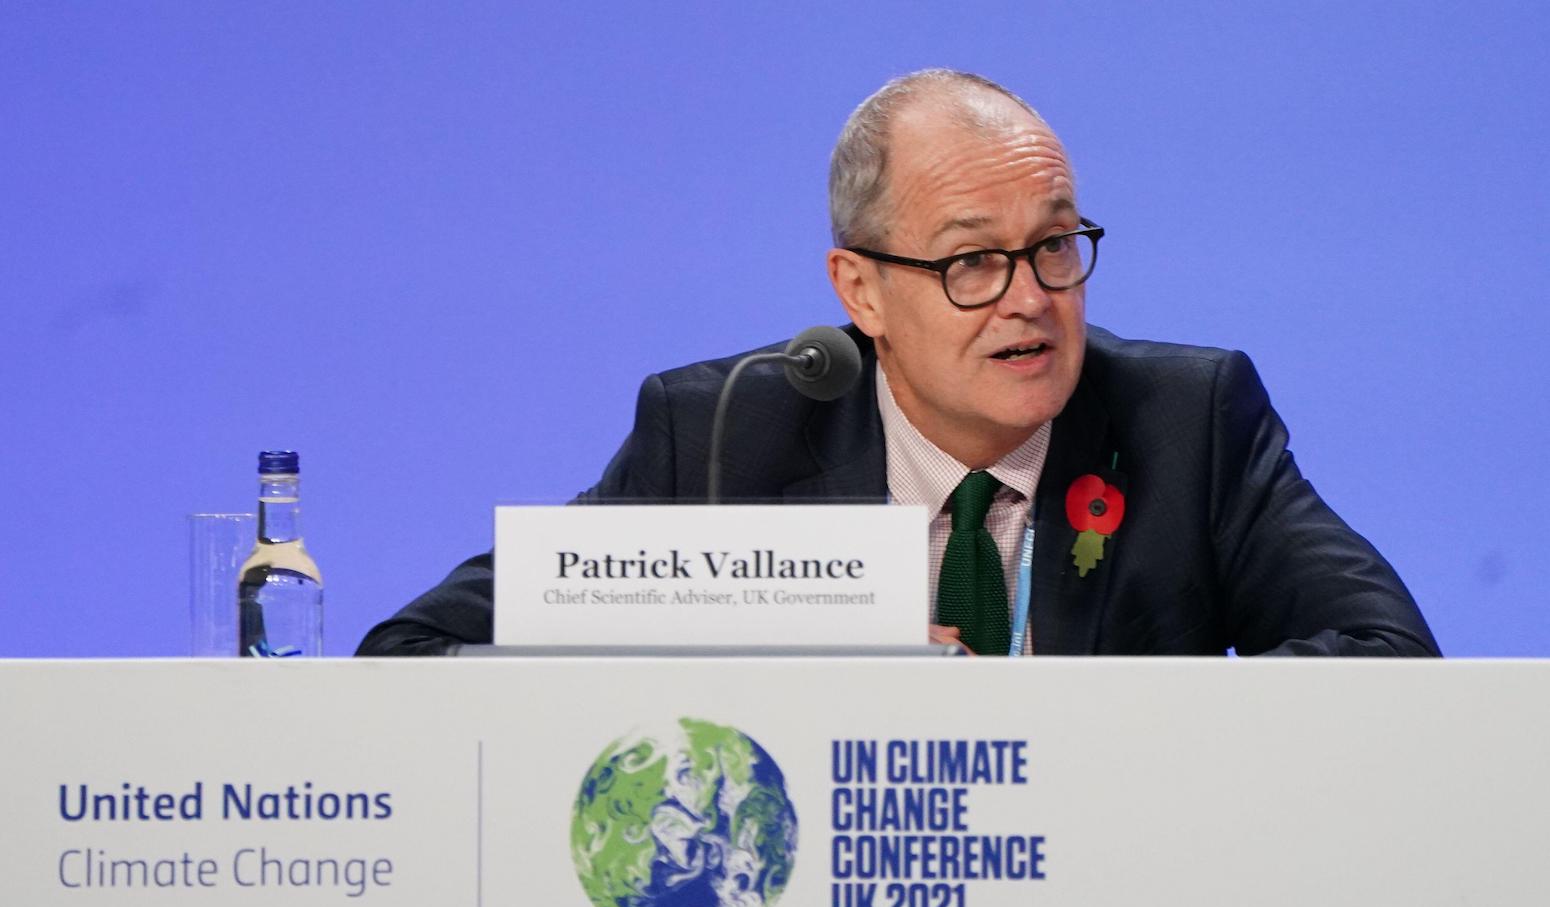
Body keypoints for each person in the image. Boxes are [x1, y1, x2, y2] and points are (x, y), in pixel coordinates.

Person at [357, 69, 1438, 658]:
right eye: (972, 261)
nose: (1030, 297)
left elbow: (1390, 658)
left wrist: (1121, 736)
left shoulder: (1184, 420)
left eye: (1054, 245)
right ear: (858, 291)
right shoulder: (727, 431)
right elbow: (411, 654)